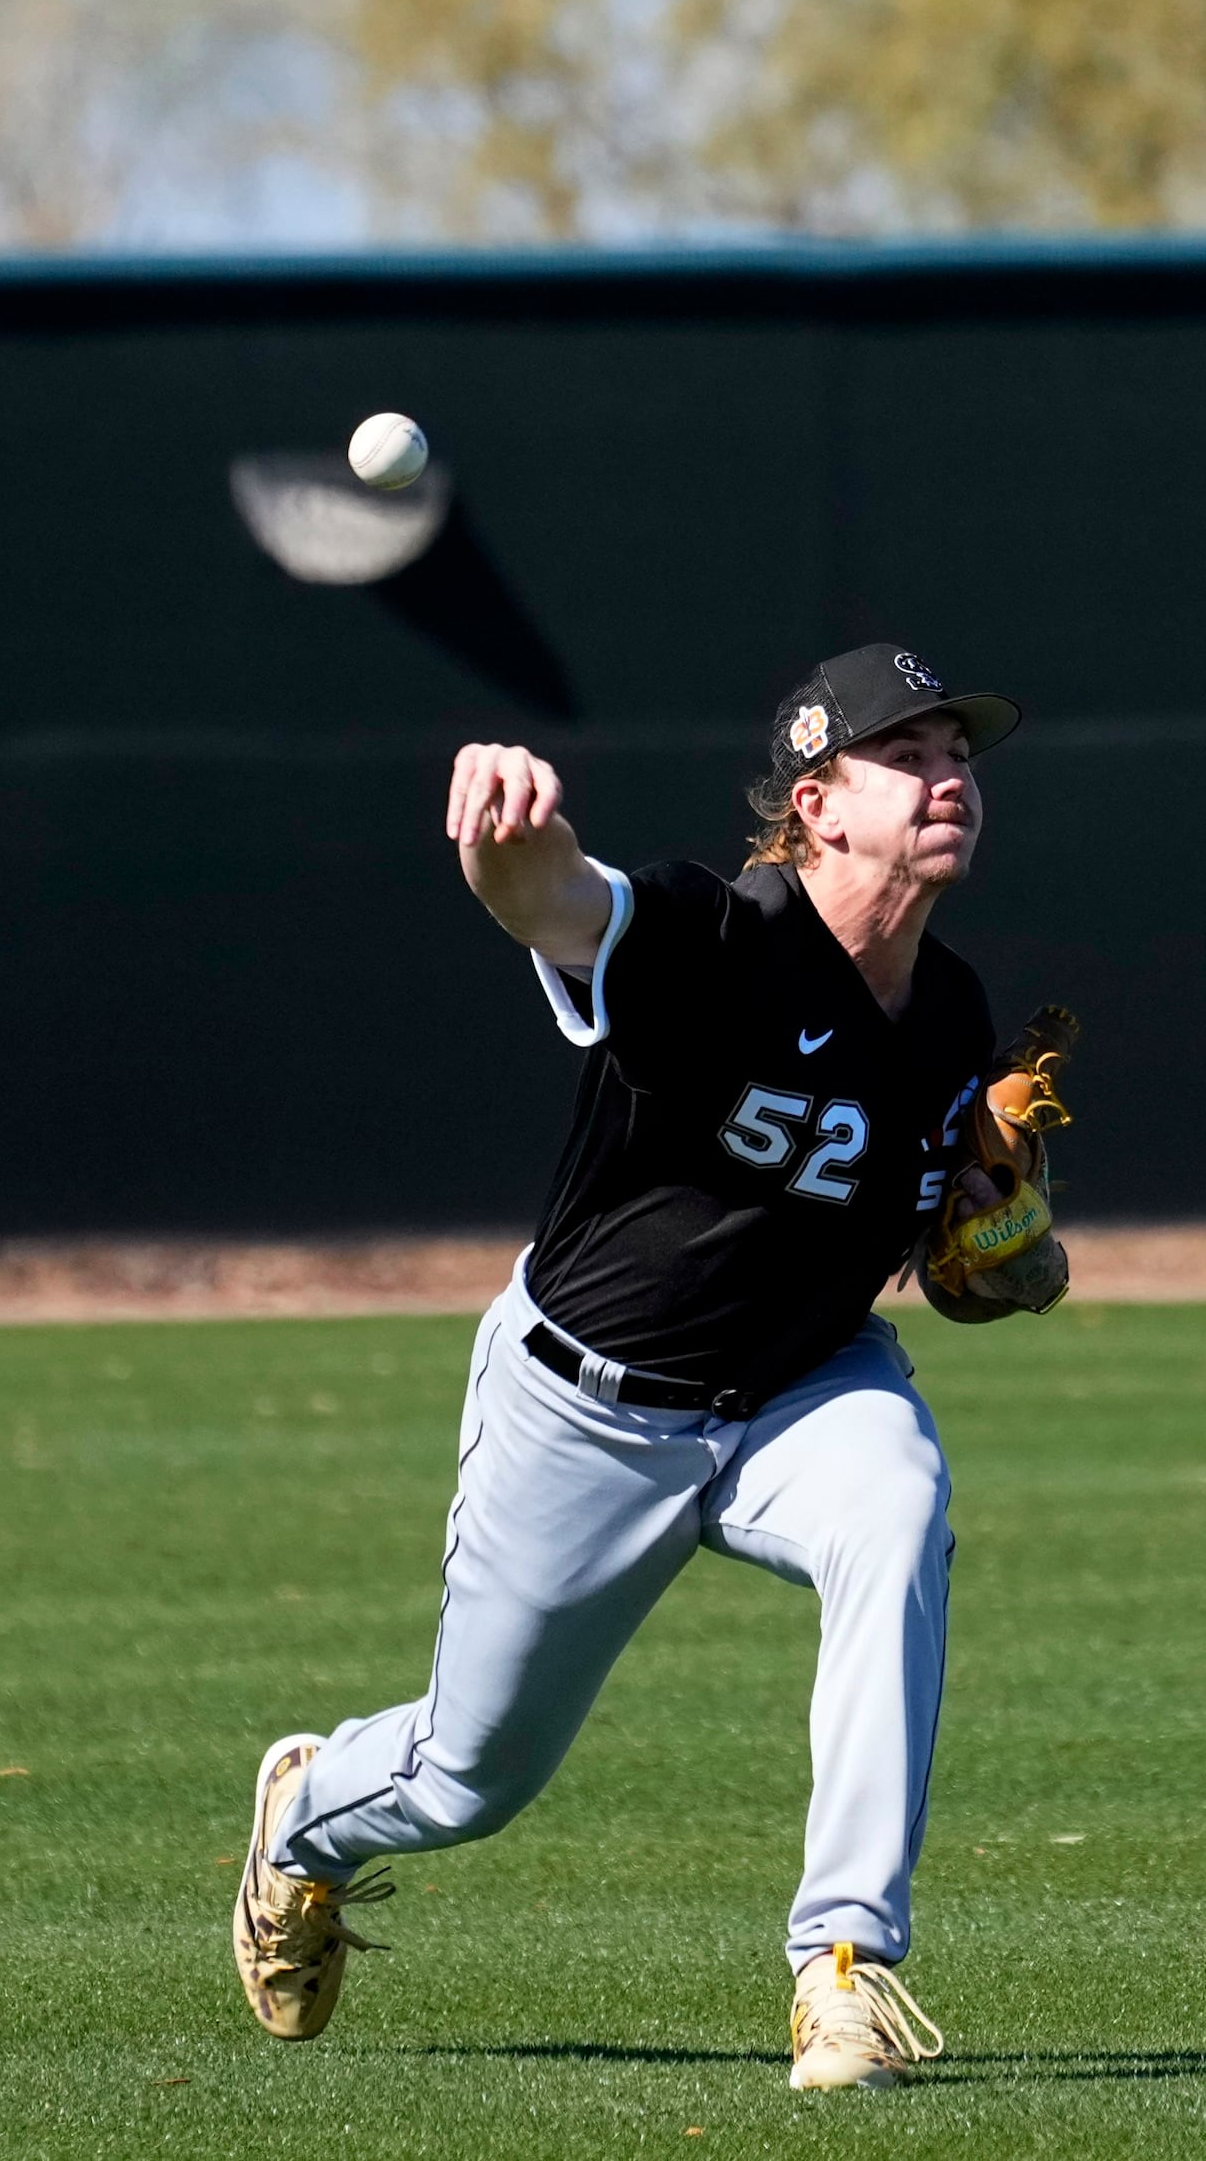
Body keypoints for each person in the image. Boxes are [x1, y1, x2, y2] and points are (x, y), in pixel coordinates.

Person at [226, 643, 1063, 2092]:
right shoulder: (711, 936)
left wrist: (1017, 1251)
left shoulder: (950, 1014)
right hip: (588, 1403)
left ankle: (846, 1968)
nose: (950, 776)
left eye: (960, 752)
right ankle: (306, 1812)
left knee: (897, 1510)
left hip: (803, 1385)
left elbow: (968, 1259)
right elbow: (556, 905)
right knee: (468, 1776)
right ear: (819, 805)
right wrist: (509, 846)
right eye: (909, 753)